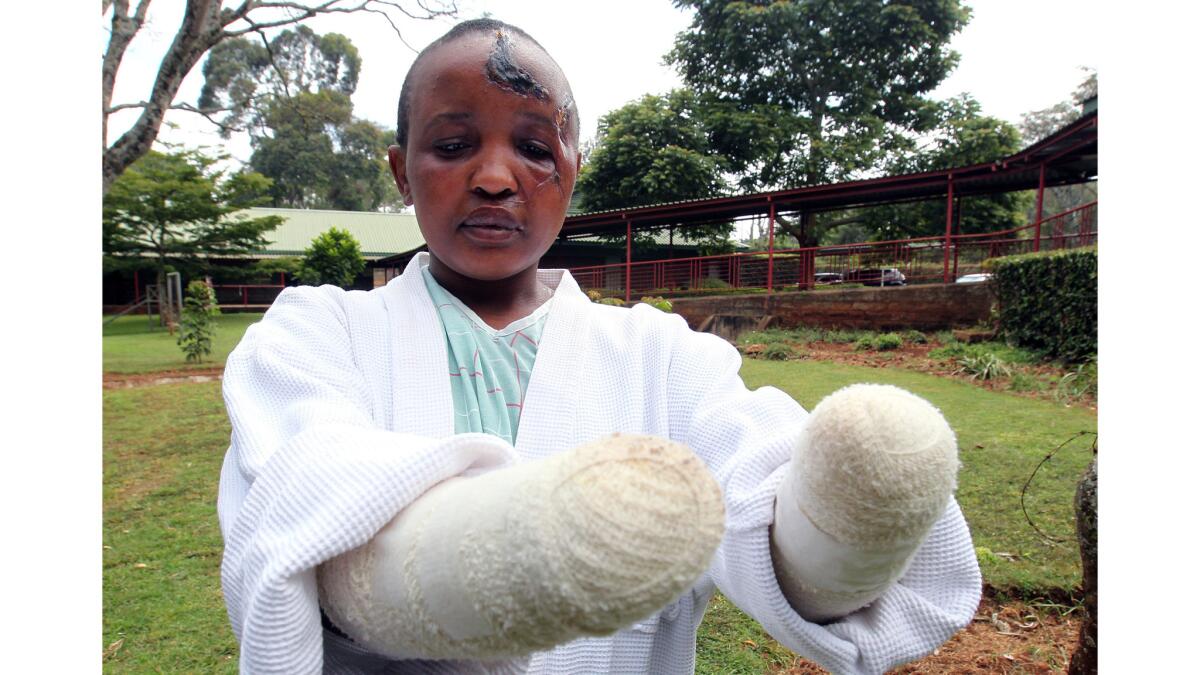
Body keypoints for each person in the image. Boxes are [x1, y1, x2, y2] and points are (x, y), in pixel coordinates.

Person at [217, 19, 981, 675]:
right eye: (452, 145)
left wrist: (830, 532)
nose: (492, 177)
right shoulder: (317, 331)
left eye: (535, 148)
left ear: (574, 169)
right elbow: (304, 490)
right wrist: (523, 551)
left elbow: (753, 467)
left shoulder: (664, 355)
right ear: (401, 170)